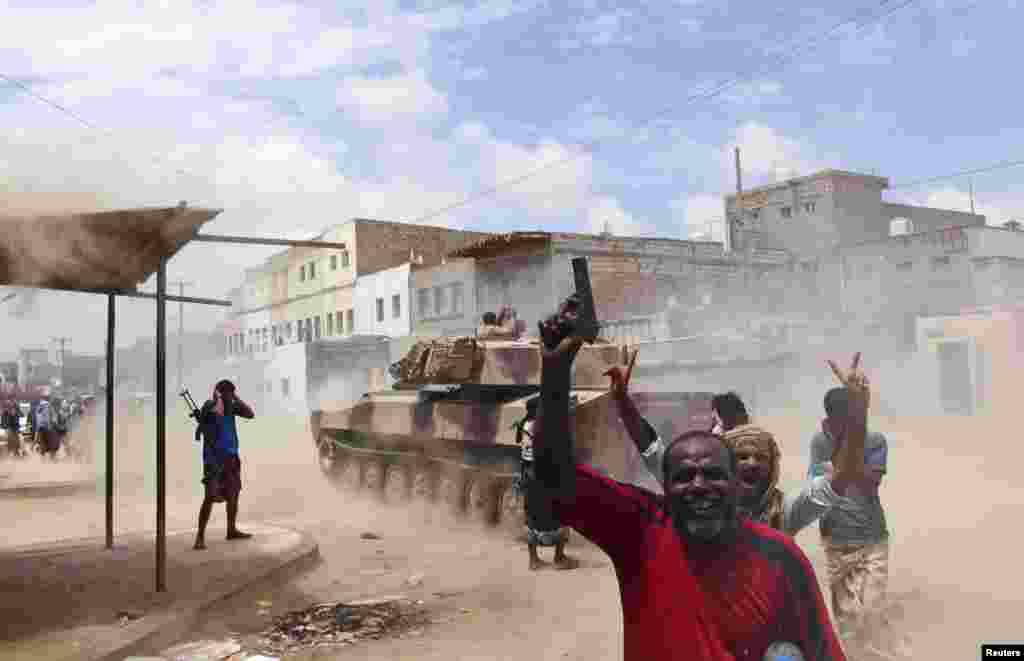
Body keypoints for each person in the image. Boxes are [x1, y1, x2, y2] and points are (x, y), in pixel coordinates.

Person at [531, 296, 852, 660]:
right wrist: (555, 373)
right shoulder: (641, 532)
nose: (699, 485)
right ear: (664, 488)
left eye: (713, 474)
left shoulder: (782, 558)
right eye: (684, 476)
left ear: (735, 484)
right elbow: (553, 477)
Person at [606, 372, 865, 538]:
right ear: (727, 465)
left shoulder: (783, 514)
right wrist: (623, 403)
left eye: (760, 458)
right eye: (741, 457)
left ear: (772, 466)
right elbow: (653, 452)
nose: (751, 464)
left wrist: (857, 413)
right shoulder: (701, 501)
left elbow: (842, 476)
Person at [808, 385, 890, 646]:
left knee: (872, 607)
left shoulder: (875, 440)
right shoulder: (820, 441)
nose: (844, 423)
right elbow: (819, 485)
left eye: (850, 416)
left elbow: (870, 483)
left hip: (873, 537)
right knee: (846, 618)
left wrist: (846, 460)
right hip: (836, 537)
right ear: (829, 418)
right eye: (838, 418)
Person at [514, 396, 577, 571]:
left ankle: (533, 560)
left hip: (529, 473)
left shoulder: (525, 425)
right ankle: (559, 557)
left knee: (532, 516)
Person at [193, 379, 255, 550]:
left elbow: (250, 414)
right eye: (227, 394)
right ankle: (200, 536)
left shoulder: (231, 406)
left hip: (231, 457)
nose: (230, 399)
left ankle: (231, 529)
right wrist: (219, 398)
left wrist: (237, 398)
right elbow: (217, 413)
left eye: (231, 395)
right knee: (210, 496)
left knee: (233, 494)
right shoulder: (209, 405)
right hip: (213, 459)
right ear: (220, 393)